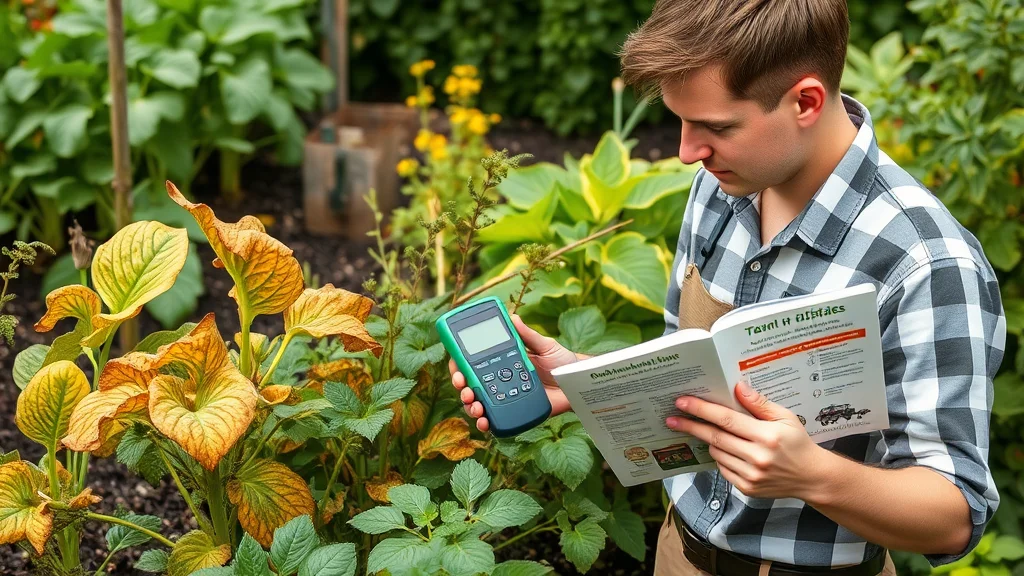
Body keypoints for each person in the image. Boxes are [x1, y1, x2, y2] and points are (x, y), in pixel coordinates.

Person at [449, 1, 1005, 574]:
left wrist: (812, 474)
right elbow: (694, 377)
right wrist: (588, 381)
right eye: (682, 122)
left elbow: (954, 513)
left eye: (716, 127)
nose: (688, 151)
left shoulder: (926, 260)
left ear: (805, 101)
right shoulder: (717, 189)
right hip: (678, 553)